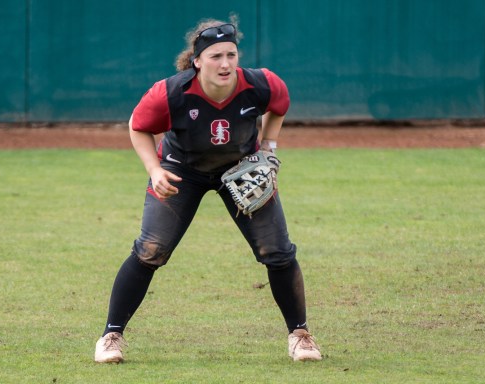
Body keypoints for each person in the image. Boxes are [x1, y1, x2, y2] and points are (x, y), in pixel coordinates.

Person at [94, 16, 322, 363]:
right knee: (150, 250)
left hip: (241, 169)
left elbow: (280, 105)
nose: (226, 63)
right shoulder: (170, 92)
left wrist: (269, 147)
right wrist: (154, 170)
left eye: (231, 54)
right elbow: (138, 126)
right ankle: (111, 336)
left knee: (278, 252)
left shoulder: (261, 84)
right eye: (216, 56)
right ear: (197, 60)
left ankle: (301, 335)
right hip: (181, 171)